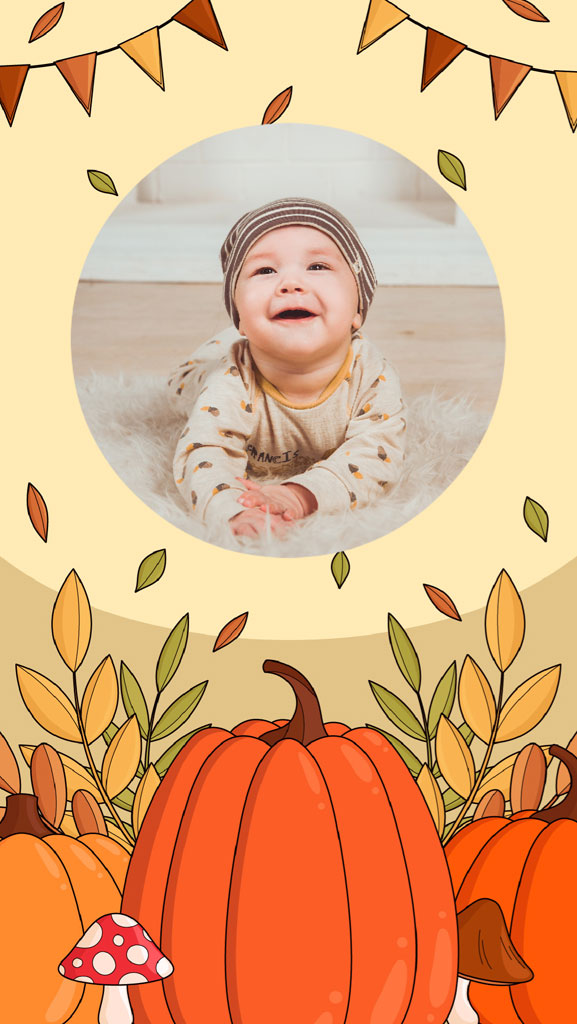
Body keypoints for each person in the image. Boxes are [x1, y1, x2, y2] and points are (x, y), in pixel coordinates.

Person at [168, 197, 407, 538]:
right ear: (240, 318)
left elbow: (377, 456)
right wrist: (231, 510)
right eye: (265, 270)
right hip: (203, 374)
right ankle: (222, 343)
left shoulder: (374, 375)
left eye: (317, 267)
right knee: (189, 385)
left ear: (358, 309)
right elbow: (205, 452)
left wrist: (301, 493)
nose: (291, 284)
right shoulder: (230, 380)